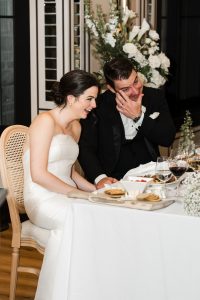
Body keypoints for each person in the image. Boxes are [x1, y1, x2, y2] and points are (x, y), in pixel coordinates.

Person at [23, 70, 100, 299]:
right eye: (89, 99)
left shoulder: (76, 126)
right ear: (71, 98)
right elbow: (38, 174)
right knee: (78, 218)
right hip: (41, 198)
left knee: (102, 212)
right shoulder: (44, 122)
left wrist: (95, 190)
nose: (94, 105)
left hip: (65, 194)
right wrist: (76, 194)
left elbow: (70, 171)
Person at [78, 57, 176, 189]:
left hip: (151, 178)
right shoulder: (97, 105)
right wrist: (100, 178)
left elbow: (167, 138)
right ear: (112, 89)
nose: (135, 91)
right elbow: (85, 148)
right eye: (125, 89)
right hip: (112, 180)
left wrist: (138, 117)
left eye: (135, 81)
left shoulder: (155, 97)